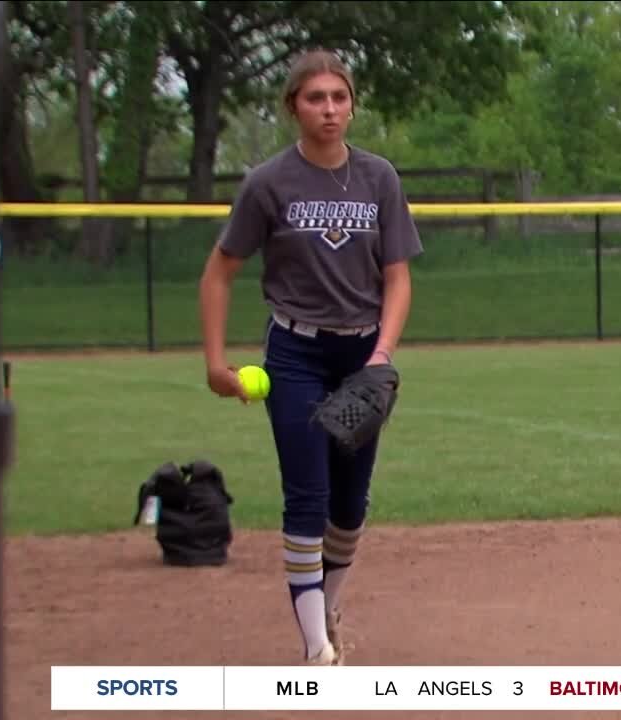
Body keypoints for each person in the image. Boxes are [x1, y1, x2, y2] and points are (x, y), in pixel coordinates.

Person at [197, 49, 423, 666]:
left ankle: (328, 606)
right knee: (308, 496)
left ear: (352, 105)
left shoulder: (379, 178)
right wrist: (216, 364)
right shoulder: (268, 183)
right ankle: (317, 648)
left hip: (360, 356)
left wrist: (380, 355)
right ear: (293, 106)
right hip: (294, 352)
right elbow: (218, 274)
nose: (329, 109)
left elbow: (398, 279)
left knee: (350, 506)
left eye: (339, 97)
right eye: (315, 98)